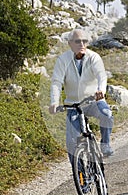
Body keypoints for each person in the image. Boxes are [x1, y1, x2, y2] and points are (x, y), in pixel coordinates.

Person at [49, 29, 114, 162]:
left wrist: (100, 90)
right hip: (73, 105)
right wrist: (54, 102)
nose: (82, 44)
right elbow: (56, 82)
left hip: (93, 101)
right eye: (78, 41)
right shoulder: (63, 60)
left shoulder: (94, 57)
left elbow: (101, 76)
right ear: (70, 43)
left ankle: (105, 145)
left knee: (107, 114)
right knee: (72, 143)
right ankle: (80, 177)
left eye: (84, 41)